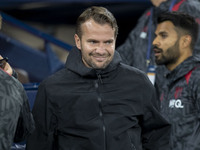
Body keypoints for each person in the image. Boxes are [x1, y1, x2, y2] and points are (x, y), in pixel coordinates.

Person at [26, 6, 171, 150]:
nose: (101, 50)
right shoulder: (52, 88)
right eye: (93, 42)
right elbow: (39, 144)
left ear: (115, 40)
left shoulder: (139, 83)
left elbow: (158, 138)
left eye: (107, 42)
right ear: (78, 41)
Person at [117, 0, 200, 85]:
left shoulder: (191, 9)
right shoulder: (148, 16)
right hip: (146, 94)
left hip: (177, 94)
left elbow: (195, 59)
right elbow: (125, 54)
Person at [153, 11, 200, 149]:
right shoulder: (164, 80)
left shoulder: (196, 77)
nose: (155, 42)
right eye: (156, 36)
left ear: (185, 41)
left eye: (163, 35)